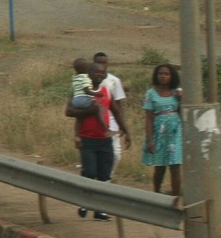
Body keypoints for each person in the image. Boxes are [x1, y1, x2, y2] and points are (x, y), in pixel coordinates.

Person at [65, 62, 128, 219]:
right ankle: (84, 203)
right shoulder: (80, 91)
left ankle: (100, 210)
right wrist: (88, 111)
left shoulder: (106, 91)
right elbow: (69, 111)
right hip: (87, 139)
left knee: (104, 175)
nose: (100, 75)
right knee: (90, 172)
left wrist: (126, 130)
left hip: (105, 140)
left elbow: (116, 111)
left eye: (103, 73)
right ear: (89, 74)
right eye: (97, 72)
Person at [142, 63, 183, 196]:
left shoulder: (177, 92)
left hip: (175, 133)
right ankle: (157, 194)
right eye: (161, 74)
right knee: (159, 167)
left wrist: (182, 99)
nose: (163, 76)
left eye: (166, 74)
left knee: (175, 165)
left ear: (172, 76)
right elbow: (148, 117)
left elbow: (184, 113)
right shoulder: (151, 93)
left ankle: (176, 198)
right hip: (158, 133)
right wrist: (150, 140)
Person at [93, 52, 127, 165]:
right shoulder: (88, 80)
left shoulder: (114, 81)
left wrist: (122, 125)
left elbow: (118, 105)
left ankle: (108, 179)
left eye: (104, 63)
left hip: (112, 121)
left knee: (116, 154)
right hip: (95, 122)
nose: (102, 65)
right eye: (99, 62)